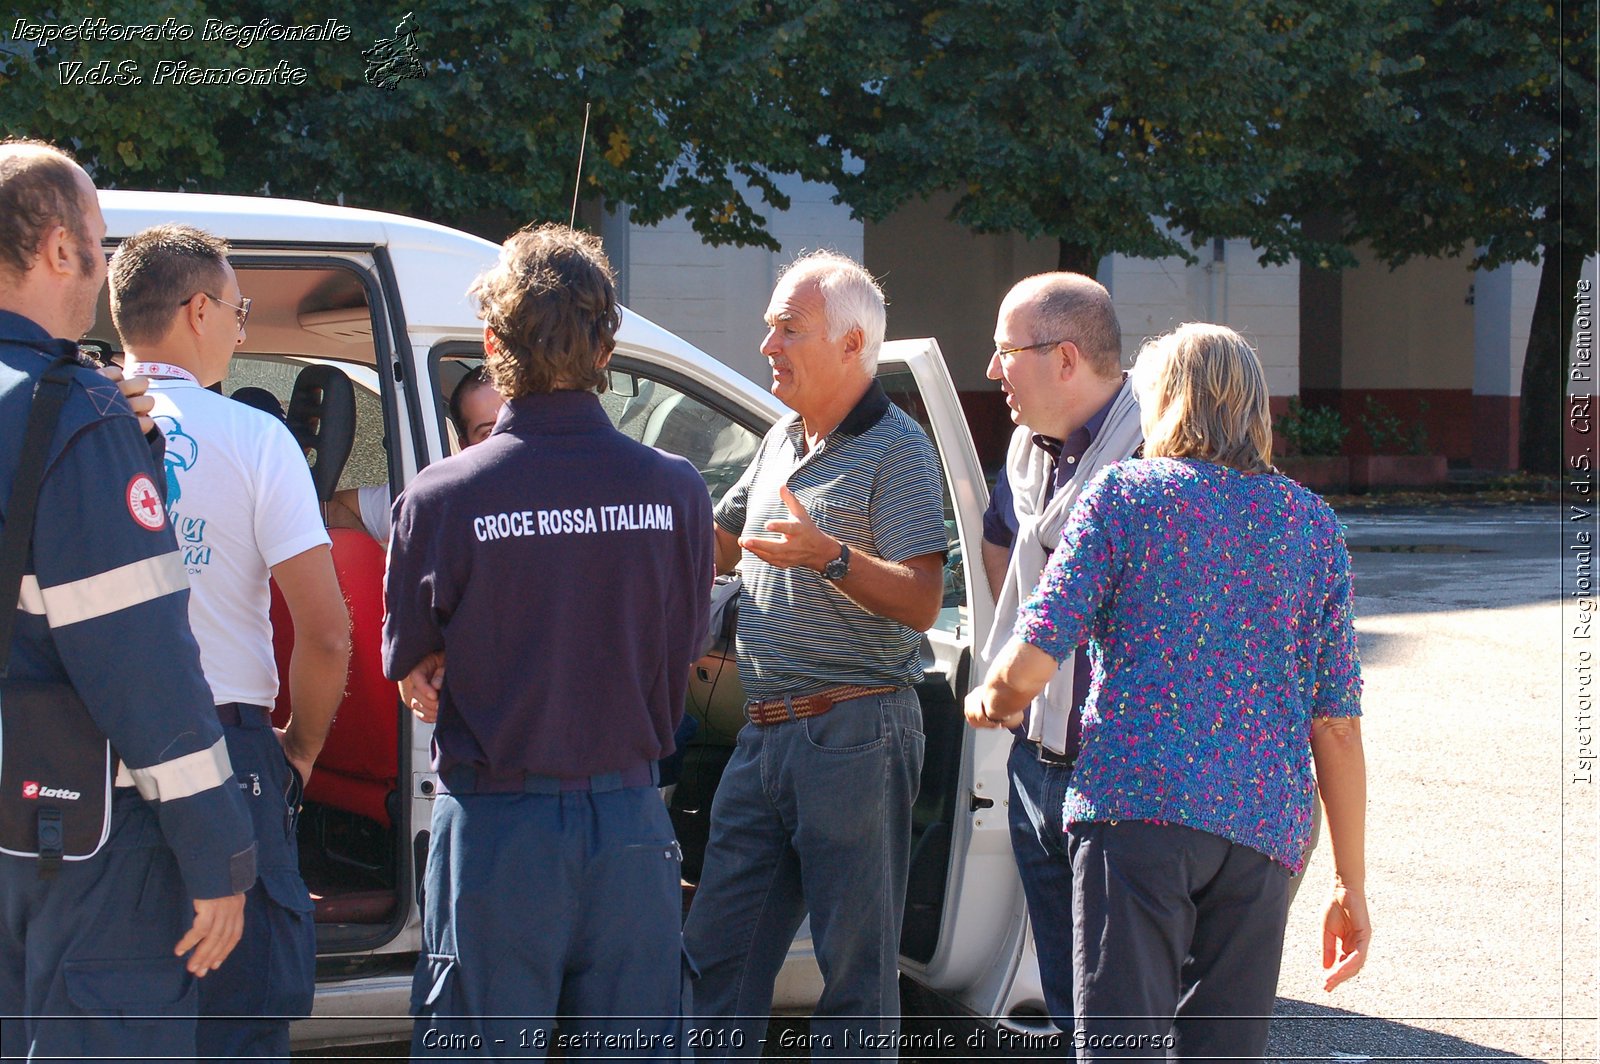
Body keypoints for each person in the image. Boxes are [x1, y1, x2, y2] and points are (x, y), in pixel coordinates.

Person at [972, 323, 1370, 1060]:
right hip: (1263, 832)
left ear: (1165, 403)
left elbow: (1037, 652)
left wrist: (993, 699)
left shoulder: (1124, 496)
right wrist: (1350, 884)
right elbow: (1337, 725)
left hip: (1138, 814)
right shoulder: (1313, 525)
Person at [384, 223, 713, 1057]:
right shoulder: (677, 492)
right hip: (632, 826)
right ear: (609, 343)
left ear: (493, 343)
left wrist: (433, 669)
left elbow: (414, 668)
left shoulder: (441, 496)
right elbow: (681, 650)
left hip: (497, 830)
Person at [0, 139, 256, 1061]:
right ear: (58, 250)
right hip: (75, 850)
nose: (105, 269)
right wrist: (219, 849)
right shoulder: (72, 415)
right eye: (99, 244)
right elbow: (141, 663)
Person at [683, 250, 948, 1057]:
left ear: (850, 344)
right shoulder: (780, 436)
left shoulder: (898, 447)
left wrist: (826, 554)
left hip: (854, 733)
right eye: (769, 327)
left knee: (855, 982)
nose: (767, 345)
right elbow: (722, 543)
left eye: (787, 329)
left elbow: (922, 597)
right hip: (763, 734)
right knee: (714, 959)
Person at [108, 224, 352, 1062]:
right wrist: (300, 751)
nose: (241, 332)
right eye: (240, 313)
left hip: (88, 757)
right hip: (227, 752)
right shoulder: (256, 440)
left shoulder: (64, 427)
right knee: (238, 1021)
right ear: (199, 310)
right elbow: (325, 633)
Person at [964, 272, 1142, 1030]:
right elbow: (1004, 547)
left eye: (1007, 351)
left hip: (1123, 766)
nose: (992, 370)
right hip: (1037, 760)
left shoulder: (1159, 447)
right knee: (1074, 1004)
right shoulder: (1025, 450)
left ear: (1065, 359)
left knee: (1128, 1009)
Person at [325, 366, 505, 542]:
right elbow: (329, 508)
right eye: (488, 432)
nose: (508, 438)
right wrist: (377, 560)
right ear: (465, 446)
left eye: (517, 421)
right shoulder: (435, 497)